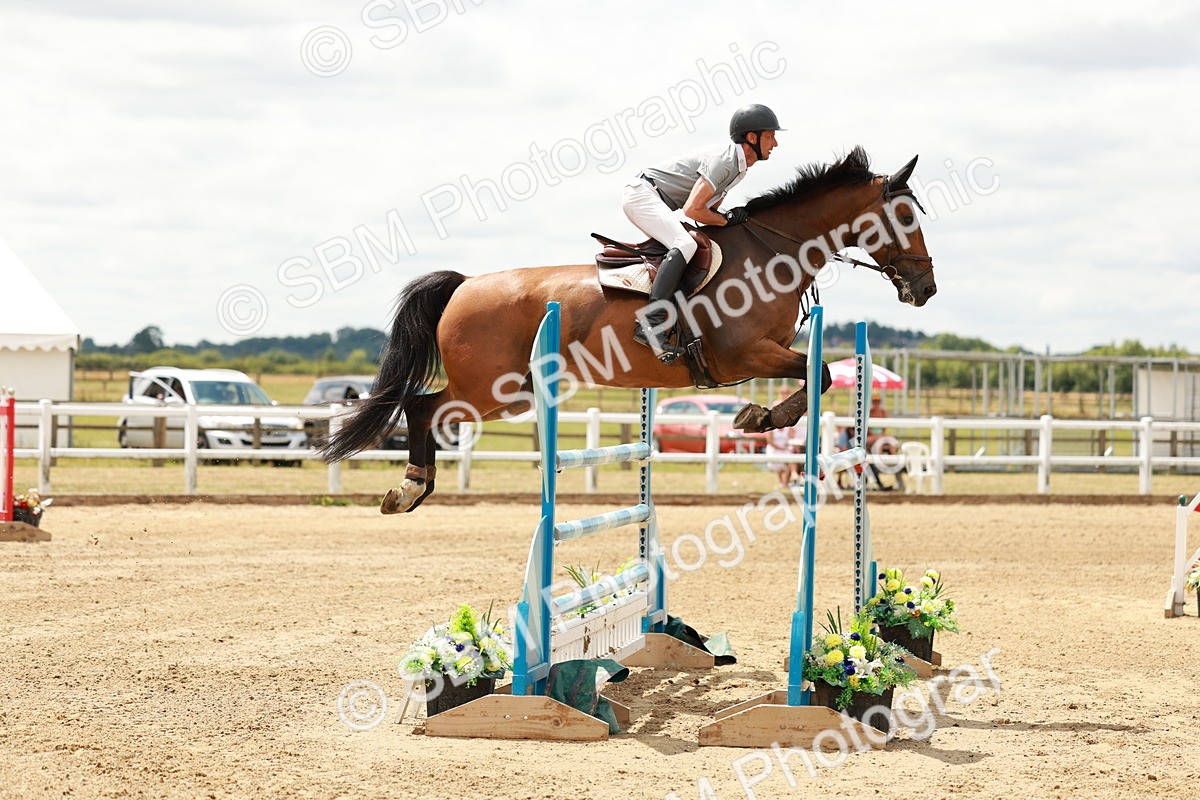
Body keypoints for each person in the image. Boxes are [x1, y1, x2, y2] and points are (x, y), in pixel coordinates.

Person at [623, 104, 784, 357]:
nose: (775, 143)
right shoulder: (726, 160)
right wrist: (726, 220)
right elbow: (692, 209)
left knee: (695, 243)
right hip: (642, 195)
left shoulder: (739, 168)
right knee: (685, 244)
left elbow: (711, 208)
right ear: (752, 138)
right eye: (770, 135)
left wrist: (728, 219)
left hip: (655, 197)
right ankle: (650, 324)